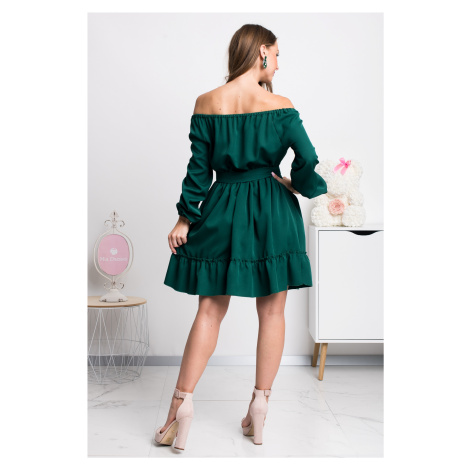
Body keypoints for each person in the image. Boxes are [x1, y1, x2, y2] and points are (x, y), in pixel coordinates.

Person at [154, 24, 328, 450]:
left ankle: (179, 409)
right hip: (273, 212)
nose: (278, 64)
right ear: (262, 52)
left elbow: (199, 171)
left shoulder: (206, 102)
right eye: (277, 54)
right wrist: (297, 184)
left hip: (222, 209)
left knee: (209, 311)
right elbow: (309, 160)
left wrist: (185, 219)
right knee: (272, 313)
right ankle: (260, 406)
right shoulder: (281, 107)